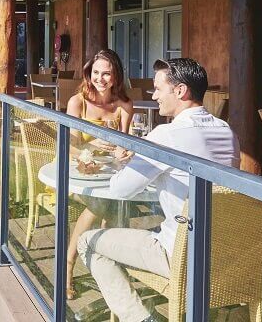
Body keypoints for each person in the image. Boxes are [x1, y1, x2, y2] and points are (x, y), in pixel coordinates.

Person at [77, 58, 240, 322]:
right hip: (225, 253)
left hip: (180, 253)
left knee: (87, 242)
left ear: (180, 91)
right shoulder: (226, 131)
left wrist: (121, 163)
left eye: (158, 89)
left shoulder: (167, 135)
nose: (154, 96)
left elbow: (120, 190)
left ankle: (140, 318)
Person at [64, 49, 133, 299]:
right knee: (103, 205)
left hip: (110, 174)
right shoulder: (78, 102)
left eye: (106, 73)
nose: (100, 79)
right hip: (77, 173)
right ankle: (68, 266)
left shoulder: (124, 105)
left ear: (116, 76)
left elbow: (127, 143)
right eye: (95, 73)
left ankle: (105, 265)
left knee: (116, 203)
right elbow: (70, 147)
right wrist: (89, 145)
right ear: (89, 73)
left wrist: (125, 152)